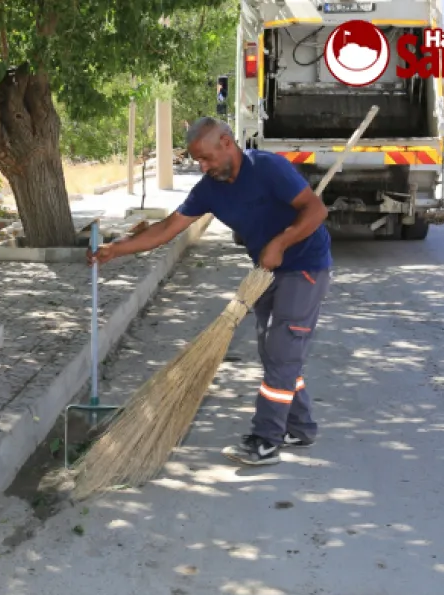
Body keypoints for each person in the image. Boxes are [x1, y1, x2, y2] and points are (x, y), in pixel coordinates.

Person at [88, 117, 333, 466]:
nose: (202, 166)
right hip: (266, 271)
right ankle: (301, 426)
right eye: (197, 161)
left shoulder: (268, 168)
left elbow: (316, 209)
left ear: (227, 143)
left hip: (305, 265)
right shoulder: (209, 188)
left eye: (206, 158)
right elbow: (168, 228)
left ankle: (266, 439)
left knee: (281, 351)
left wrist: (281, 241)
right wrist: (117, 249)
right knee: (274, 351)